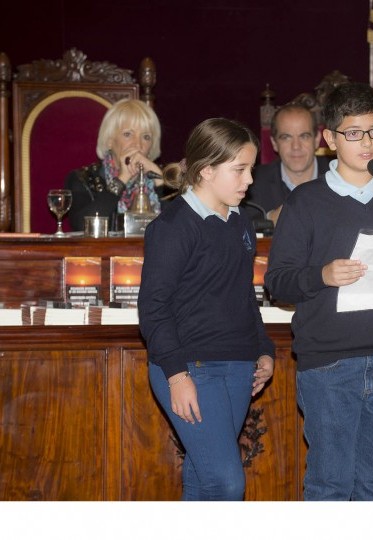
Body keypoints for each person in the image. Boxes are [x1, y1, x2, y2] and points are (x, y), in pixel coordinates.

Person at [264, 82, 373, 501]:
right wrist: (320, 275)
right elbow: (277, 282)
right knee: (331, 483)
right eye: (354, 133)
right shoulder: (306, 202)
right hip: (330, 363)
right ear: (329, 138)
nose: (367, 143)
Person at [137, 118, 275, 501]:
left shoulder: (242, 221)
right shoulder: (174, 226)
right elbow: (153, 307)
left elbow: (243, 295)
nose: (249, 180)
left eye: (250, 169)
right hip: (189, 368)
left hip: (238, 366)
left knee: (203, 479)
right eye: (239, 170)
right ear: (206, 170)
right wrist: (177, 376)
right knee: (226, 483)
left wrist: (263, 349)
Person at [64, 98, 170, 231]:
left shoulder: (167, 177)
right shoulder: (83, 178)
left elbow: (188, 229)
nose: (138, 144)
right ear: (109, 141)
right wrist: (122, 179)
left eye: (146, 137)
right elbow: (82, 226)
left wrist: (161, 182)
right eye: (128, 134)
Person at [244, 103, 331, 225]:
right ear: (274, 143)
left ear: (317, 139)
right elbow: (239, 228)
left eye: (304, 136)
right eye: (286, 137)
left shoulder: (339, 175)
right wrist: (269, 219)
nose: (296, 146)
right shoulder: (253, 181)